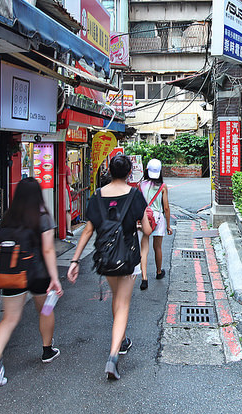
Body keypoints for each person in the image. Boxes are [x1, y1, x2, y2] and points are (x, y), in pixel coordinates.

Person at [67, 154, 152, 380]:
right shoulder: (135, 195)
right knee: (123, 304)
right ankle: (113, 356)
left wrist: (74, 261)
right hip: (127, 257)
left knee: (117, 299)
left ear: (110, 172)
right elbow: (147, 230)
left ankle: (122, 339)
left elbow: (87, 231)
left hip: (105, 258)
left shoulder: (97, 196)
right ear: (128, 173)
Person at [0, 177, 63, 387]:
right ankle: (47, 350)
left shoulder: (9, 217)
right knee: (45, 310)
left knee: (9, 318)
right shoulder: (42, 216)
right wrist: (55, 278)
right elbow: (47, 249)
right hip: (37, 273)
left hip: (13, 272)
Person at [138, 159, 173, 290]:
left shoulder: (140, 185)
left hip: (145, 217)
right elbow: (166, 207)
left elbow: (138, 204)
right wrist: (168, 225)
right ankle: (159, 272)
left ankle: (144, 278)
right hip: (158, 219)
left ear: (146, 170)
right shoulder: (163, 186)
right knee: (157, 247)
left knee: (144, 248)